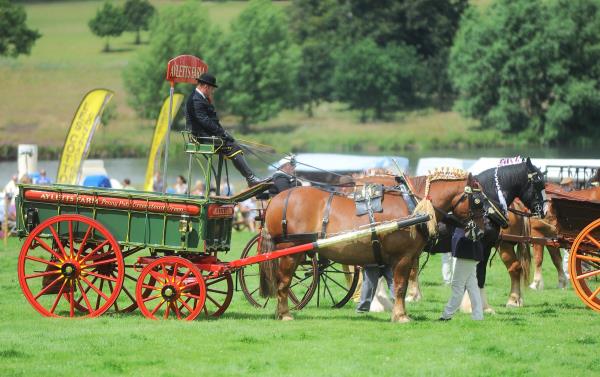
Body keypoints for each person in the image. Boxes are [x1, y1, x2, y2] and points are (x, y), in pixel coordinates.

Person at [185, 72, 267, 187]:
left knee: (233, 143)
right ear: (206, 87)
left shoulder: (200, 97)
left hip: (206, 135)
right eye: (212, 89)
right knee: (232, 146)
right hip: (200, 137)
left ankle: (251, 178)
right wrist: (222, 133)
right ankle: (251, 178)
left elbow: (211, 121)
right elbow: (205, 121)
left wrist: (223, 133)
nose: (212, 92)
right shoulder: (196, 99)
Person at [439, 228, 484, 321]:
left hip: (466, 255)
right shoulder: (465, 221)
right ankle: (478, 316)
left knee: (457, 287)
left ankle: (446, 315)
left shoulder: (466, 221)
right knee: (473, 287)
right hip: (469, 255)